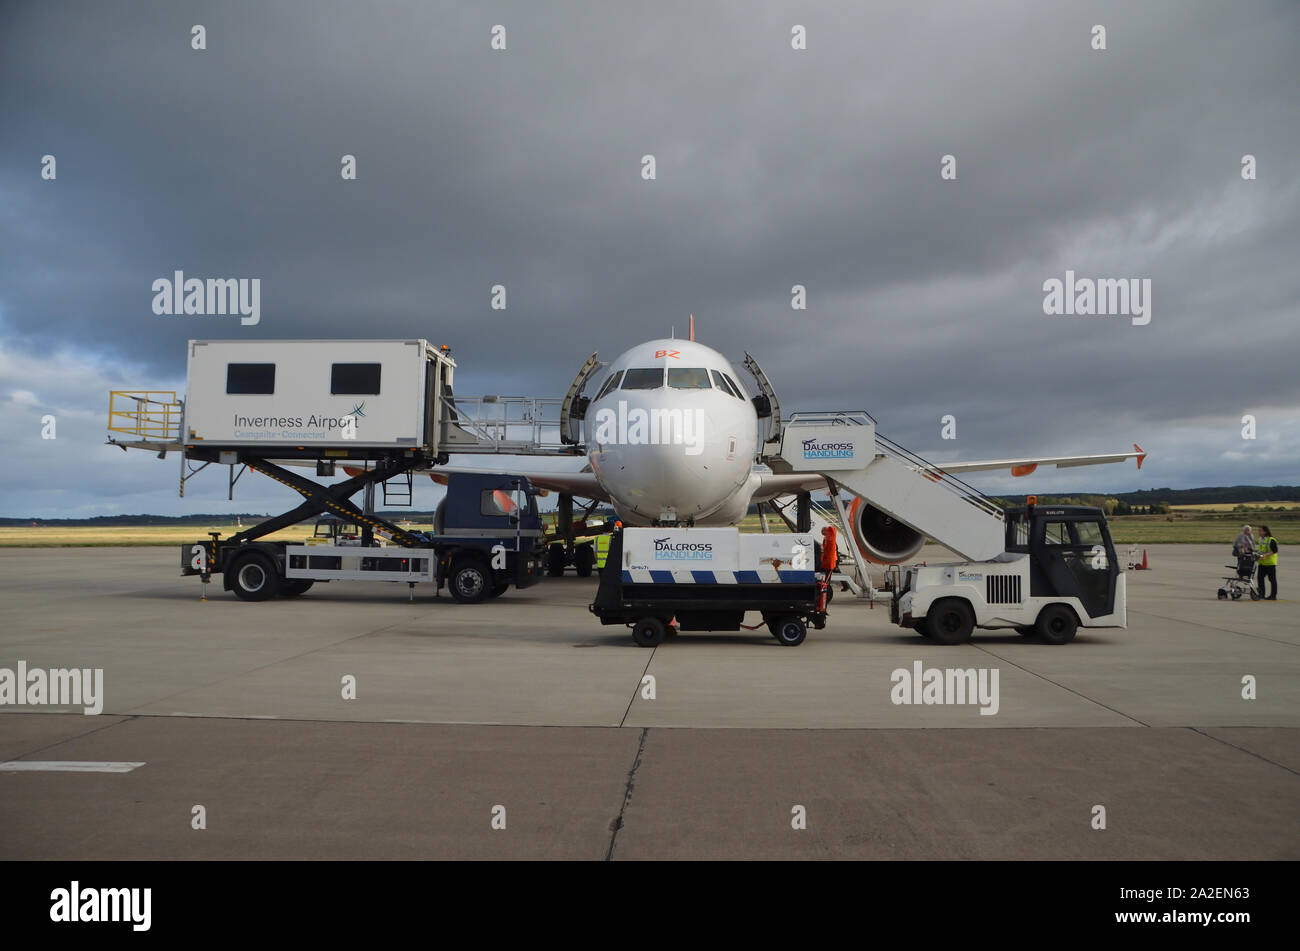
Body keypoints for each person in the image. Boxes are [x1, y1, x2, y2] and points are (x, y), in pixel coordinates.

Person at [1256, 525, 1279, 600]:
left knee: (1272, 579)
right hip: (1262, 563)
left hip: (1270, 563)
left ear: (1265, 532)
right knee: (1260, 578)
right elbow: (1261, 550)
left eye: (1260, 531)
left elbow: (1275, 550)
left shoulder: (1271, 540)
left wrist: (1266, 555)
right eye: (1258, 530)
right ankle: (1261, 594)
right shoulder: (1260, 540)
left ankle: (1273, 595)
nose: (1259, 532)